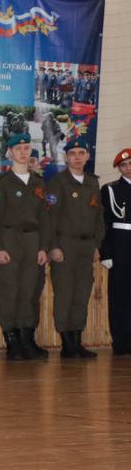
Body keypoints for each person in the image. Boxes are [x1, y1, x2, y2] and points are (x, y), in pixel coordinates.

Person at [0, 132, 50, 361]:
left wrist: (43, 246)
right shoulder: (1, 183)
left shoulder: (38, 183)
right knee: (9, 291)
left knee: (30, 291)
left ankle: (27, 338)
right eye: (18, 149)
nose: (23, 152)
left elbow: (45, 218)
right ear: (9, 153)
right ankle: (12, 340)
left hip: (33, 241)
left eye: (26, 149)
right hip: (9, 240)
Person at [44, 139, 104, 359]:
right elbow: (49, 218)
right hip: (65, 245)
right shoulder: (58, 183)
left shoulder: (92, 182)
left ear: (88, 156)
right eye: (73, 153)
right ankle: (67, 344)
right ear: (66, 157)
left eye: (81, 152)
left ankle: (77, 341)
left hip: (87, 247)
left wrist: (97, 244)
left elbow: (99, 217)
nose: (77, 157)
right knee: (65, 294)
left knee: (81, 294)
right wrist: (53, 246)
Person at [101, 148, 131, 355]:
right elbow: (105, 224)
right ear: (119, 168)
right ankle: (121, 340)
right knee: (120, 294)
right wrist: (106, 253)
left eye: (130, 164)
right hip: (121, 243)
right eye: (124, 165)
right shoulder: (110, 189)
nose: (128, 168)